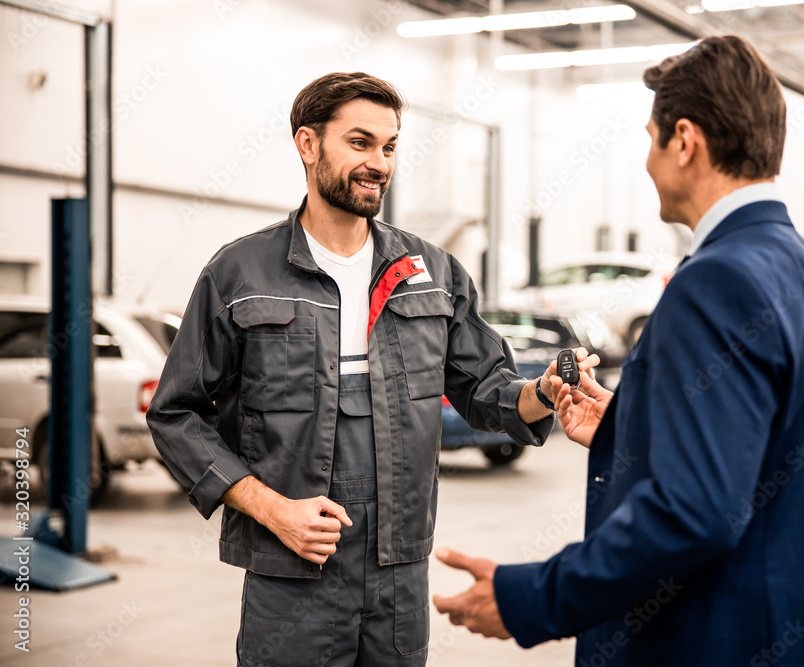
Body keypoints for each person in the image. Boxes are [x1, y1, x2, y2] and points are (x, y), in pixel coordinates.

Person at [433, 35, 804, 666]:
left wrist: (531, 597)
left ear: (685, 140)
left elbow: (695, 514)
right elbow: (764, 446)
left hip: (728, 639)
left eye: (650, 138)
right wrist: (629, 424)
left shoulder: (717, 282)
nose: (646, 160)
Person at [146, 72, 597, 666]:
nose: (379, 163)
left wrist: (546, 392)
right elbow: (175, 413)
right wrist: (272, 509)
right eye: (360, 143)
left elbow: (487, 390)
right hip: (291, 573)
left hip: (399, 575)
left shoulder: (431, 272)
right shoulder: (240, 274)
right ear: (308, 145)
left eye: (389, 146)